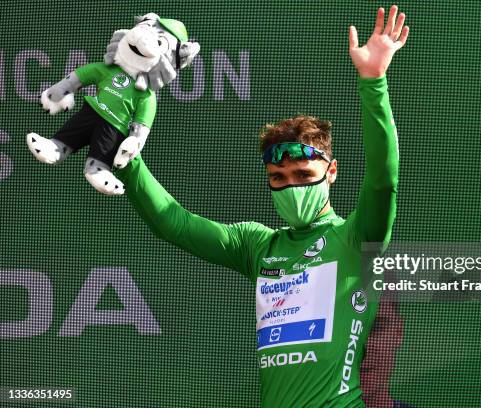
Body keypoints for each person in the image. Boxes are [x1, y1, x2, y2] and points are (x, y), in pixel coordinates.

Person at [115, 5, 408, 407]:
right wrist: (127, 160)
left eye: (304, 175)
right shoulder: (258, 245)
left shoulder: (357, 238)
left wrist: (373, 82)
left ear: (332, 171)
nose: (291, 186)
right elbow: (174, 223)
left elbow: (383, 179)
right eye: (279, 178)